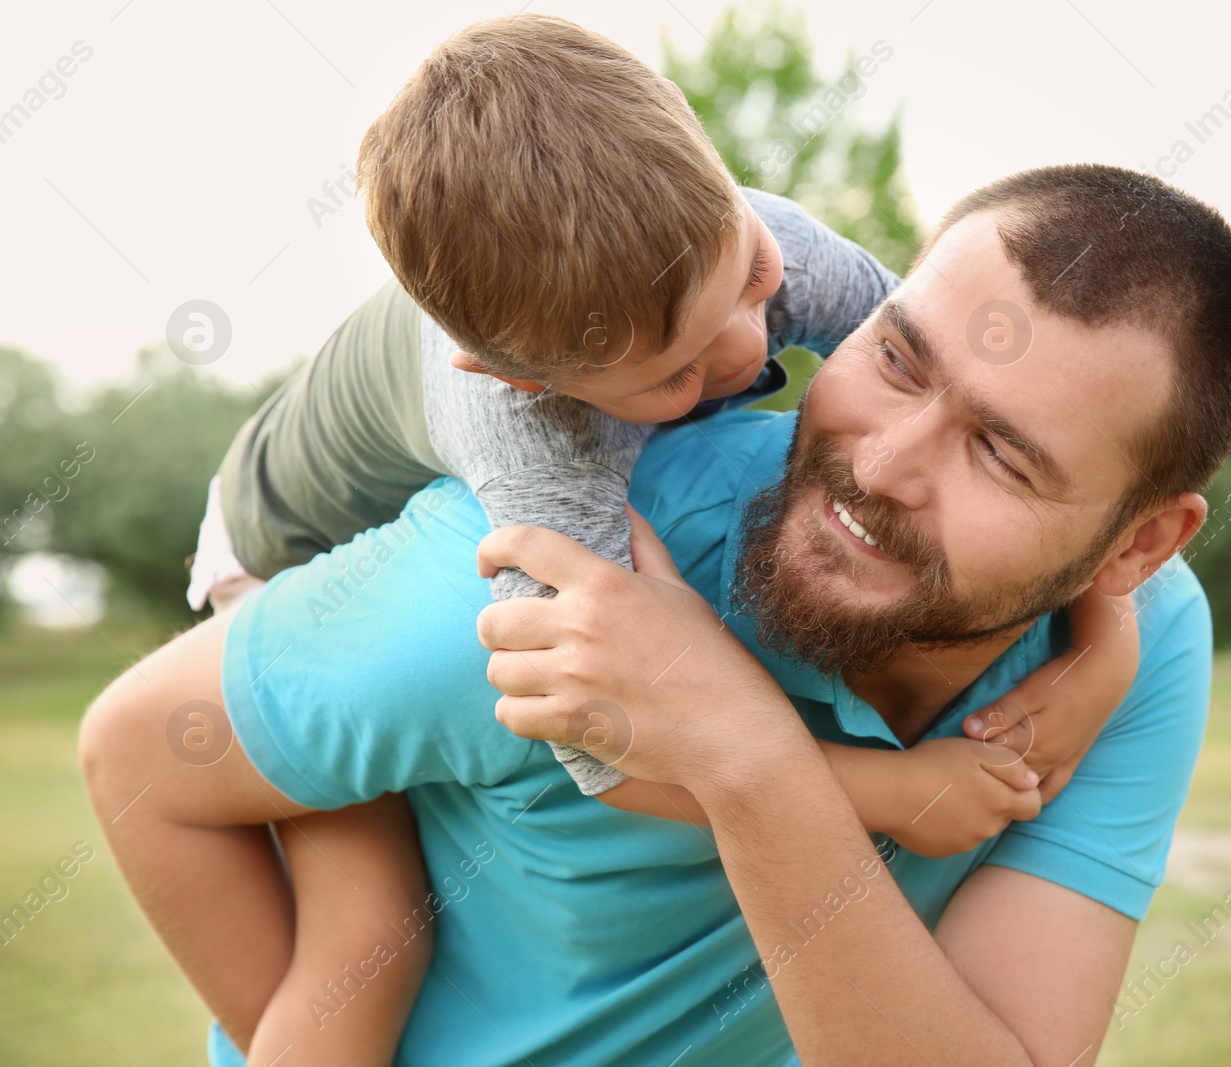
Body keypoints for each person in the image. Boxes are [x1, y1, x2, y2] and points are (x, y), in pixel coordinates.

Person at [112, 15, 1138, 1065]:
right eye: (672, 378)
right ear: (525, 379)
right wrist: (880, 793)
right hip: (278, 539)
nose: (747, 352)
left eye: (749, 281)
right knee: (366, 934)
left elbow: (1018, 422)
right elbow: (596, 742)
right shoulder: (537, 453)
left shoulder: (758, 246)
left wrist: (1108, 647)